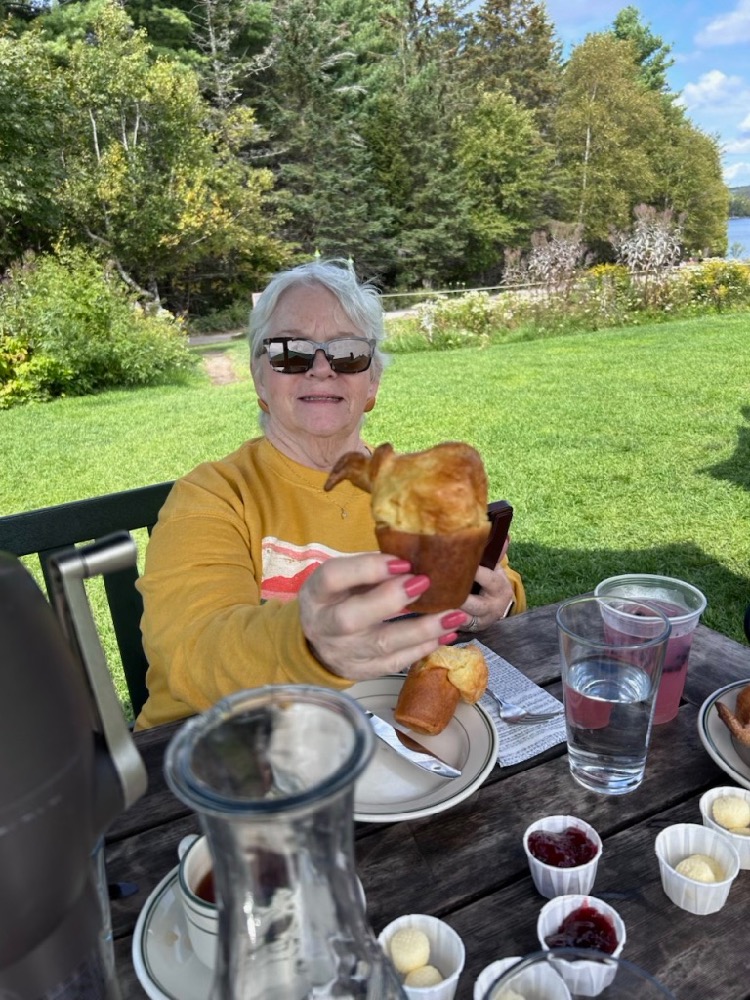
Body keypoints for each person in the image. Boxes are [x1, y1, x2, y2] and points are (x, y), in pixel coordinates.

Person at [135, 260, 525, 729]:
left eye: (348, 353)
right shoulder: (214, 497)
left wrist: (496, 604)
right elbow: (191, 651)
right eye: (290, 352)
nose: (321, 369)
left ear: (372, 383)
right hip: (215, 749)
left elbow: (501, 589)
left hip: (383, 738)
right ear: (260, 378)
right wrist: (309, 644)